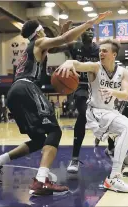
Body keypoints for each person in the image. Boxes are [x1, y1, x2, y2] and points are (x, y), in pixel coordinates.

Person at [0, 11, 112, 196]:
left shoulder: (34, 48)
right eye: (44, 31)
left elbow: (59, 44)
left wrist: (61, 34)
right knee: (55, 131)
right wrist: (88, 23)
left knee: (40, 140)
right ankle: (41, 181)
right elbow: (64, 39)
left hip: (14, 92)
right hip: (27, 87)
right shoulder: (39, 42)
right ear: (39, 32)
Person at [56, 39, 128, 193]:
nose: (100, 53)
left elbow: (126, 94)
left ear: (114, 54)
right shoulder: (95, 67)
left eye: (104, 51)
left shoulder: (123, 72)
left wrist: (113, 92)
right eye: (100, 50)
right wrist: (70, 62)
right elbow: (79, 65)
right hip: (96, 112)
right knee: (127, 128)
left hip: (111, 112)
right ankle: (113, 178)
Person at [49, 23, 100, 173]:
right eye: (86, 30)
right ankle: (75, 158)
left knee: (106, 117)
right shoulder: (74, 45)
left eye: (92, 30)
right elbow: (52, 49)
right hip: (79, 87)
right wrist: (62, 34)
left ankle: (110, 146)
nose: (89, 32)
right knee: (84, 114)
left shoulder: (99, 50)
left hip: (96, 88)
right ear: (81, 32)